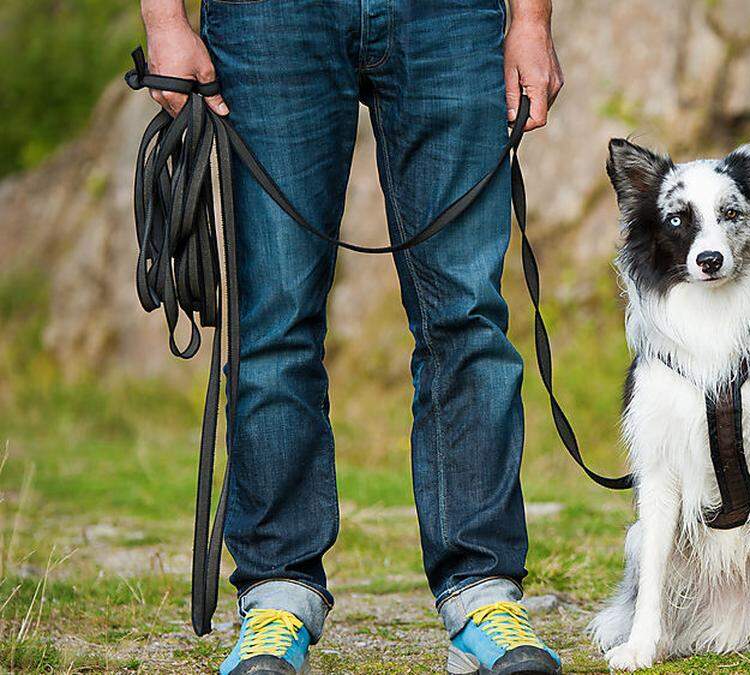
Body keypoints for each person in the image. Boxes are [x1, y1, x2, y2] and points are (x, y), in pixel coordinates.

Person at [138, 0, 564, 672]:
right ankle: (278, 595)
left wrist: (531, 21)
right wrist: (165, 21)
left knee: (466, 313)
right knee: (273, 320)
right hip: (270, 18)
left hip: (449, 17)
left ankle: (482, 594)